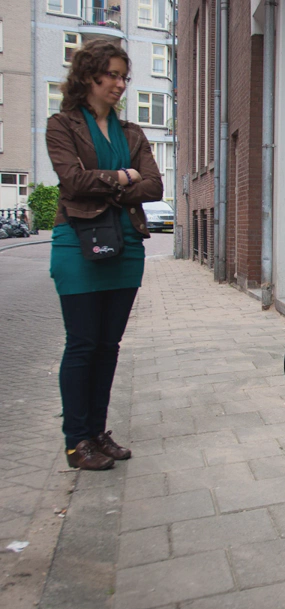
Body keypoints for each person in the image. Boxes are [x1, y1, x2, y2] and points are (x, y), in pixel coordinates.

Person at [46, 40, 162, 470]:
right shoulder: (61, 126)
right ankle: (77, 442)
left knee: (108, 345)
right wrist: (121, 176)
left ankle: (97, 432)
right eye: (110, 74)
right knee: (82, 343)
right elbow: (72, 183)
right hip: (76, 242)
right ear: (87, 76)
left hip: (127, 244)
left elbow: (153, 186)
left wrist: (111, 181)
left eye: (123, 77)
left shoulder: (131, 132)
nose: (118, 84)